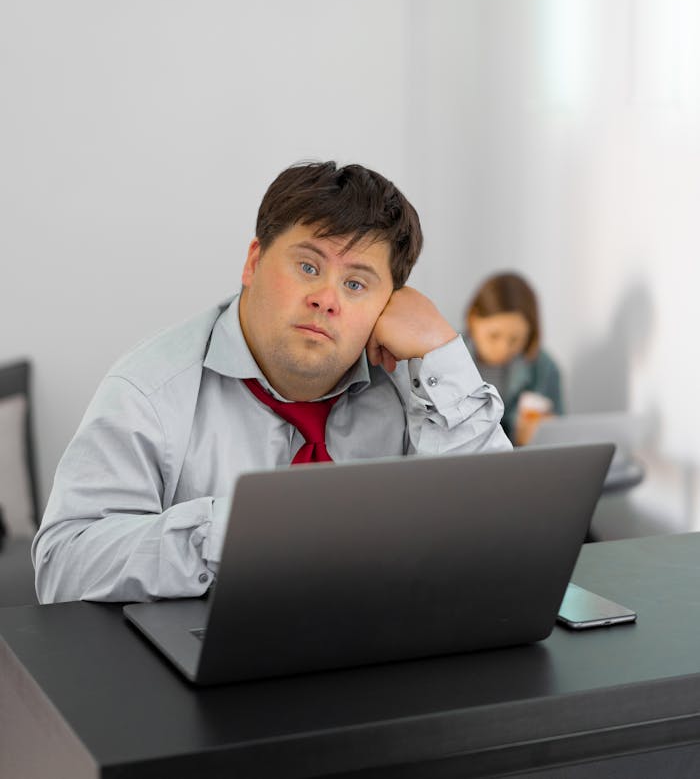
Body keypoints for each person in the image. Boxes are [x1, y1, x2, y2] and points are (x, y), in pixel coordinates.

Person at [33, 161, 510, 603]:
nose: (327, 299)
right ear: (254, 262)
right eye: (308, 267)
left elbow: (501, 539)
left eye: (356, 284)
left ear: (388, 302)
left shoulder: (412, 380)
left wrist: (443, 353)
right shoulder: (149, 391)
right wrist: (247, 530)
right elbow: (63, 564)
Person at [463, 271, 563, 445]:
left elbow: (563, 441)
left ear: (530, 333)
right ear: (473, 319)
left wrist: (545, 435)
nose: (504, 349)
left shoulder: (544, 368)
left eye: (515, 339)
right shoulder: (444, 361)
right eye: (494, 336)